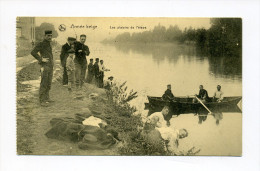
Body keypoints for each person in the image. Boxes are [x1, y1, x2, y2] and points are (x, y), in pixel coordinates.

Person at [31, 30, 54, 107]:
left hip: (50, 66)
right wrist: (41, 59)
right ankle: (42, 101)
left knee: (49, 83)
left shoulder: (49, 44)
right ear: (45, 36)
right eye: (48, 36)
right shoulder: (41, 44)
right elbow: (33, 52)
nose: (50, 37)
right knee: (44, 83)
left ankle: (47, 98)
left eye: (51, 36)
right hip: (44, 66)